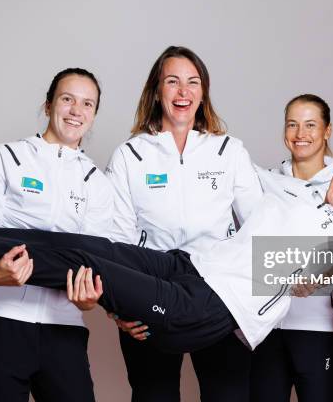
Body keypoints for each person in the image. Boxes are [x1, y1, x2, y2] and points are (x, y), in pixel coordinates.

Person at [0, 152, 333, 356]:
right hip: (191, 267)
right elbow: (240, 171)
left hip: (212, 307)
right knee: (87, 245)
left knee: (86, 267)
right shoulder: (299, 196)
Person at [0, 68, 112, 402]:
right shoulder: (4, 158)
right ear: (48, 105)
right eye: (67, 99)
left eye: (87, 104)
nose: (77, 111)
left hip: (63, 325)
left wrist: (89, 300)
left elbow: (93, 262)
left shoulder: (98, 184)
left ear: (94, 114)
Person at [104, 45, 262, 401]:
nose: (183, 91)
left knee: (229, 394)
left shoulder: (228, 151)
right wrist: (118, 306)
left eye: (193, 82)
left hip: (219, 292)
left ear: (203, 92)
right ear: (156, 91)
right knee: (153, 394)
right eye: (172, 81)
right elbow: (116, 238)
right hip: (151, 288)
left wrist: (251, 298)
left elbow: (258, 224)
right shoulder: (130, 155)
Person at [251, 94, 333, 402]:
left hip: (321, 328)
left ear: (327, 130)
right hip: (268, 327)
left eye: (310, 125)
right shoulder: (263, 182)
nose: (300, 134)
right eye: (292, 124)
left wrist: (323, 276)